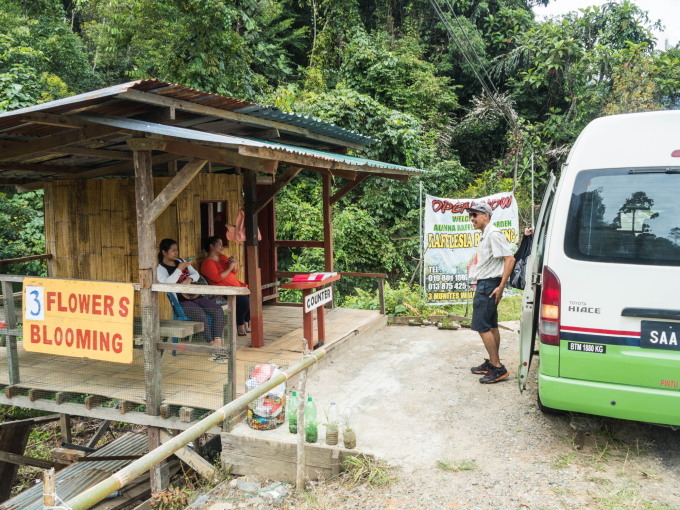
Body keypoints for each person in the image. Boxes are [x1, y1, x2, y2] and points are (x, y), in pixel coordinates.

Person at [466, 203, 516, 384]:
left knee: (481, 326)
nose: (472, 218)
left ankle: (497, 367)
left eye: (475, 215)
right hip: (487, 284)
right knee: (491, 325)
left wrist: (501, 286)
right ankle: (493, 363)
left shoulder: (493, 234)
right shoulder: (486, 234)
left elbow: (510, 260)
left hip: (488, 285)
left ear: (486, 216)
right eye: (470, 215)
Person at [156, 238, 226, 361]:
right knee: (201, 315)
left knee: (217, 309)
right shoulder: (161, 268)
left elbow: (196, 274)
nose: (176, 253)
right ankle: (211, 345)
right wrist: (179, 269)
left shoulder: (181, 261)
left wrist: (189, 279)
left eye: (177, 250)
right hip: (181, 302)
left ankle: (217, 342)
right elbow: (168, 283)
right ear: (164, 252)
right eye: (173, 251)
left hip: (196, 296)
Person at [200, 236, 251, 336]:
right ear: (211, 246)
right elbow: (217, 278)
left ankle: (245, 320)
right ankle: (240, 323)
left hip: (237, 287)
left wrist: (234, 264)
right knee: (244, 300)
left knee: (257, 296)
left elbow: (234, 271)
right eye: (219, 244)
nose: (222, 247)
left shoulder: (222, 257)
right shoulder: (207, 263)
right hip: (223, 292)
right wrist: (230, 267)